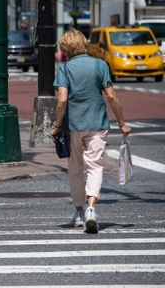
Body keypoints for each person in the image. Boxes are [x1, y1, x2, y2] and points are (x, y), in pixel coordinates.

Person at [50, 28, 131, 234]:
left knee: (75, 169)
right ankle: (91, 209)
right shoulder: (100, 65)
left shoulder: (65, 69)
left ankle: (78, 212)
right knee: (95, 166)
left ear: (66, 49)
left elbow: (61, 99)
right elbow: (111, 96)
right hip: (97, 124)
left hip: (73, 126)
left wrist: (57, 125)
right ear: (84, 44)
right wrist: (122, 123)